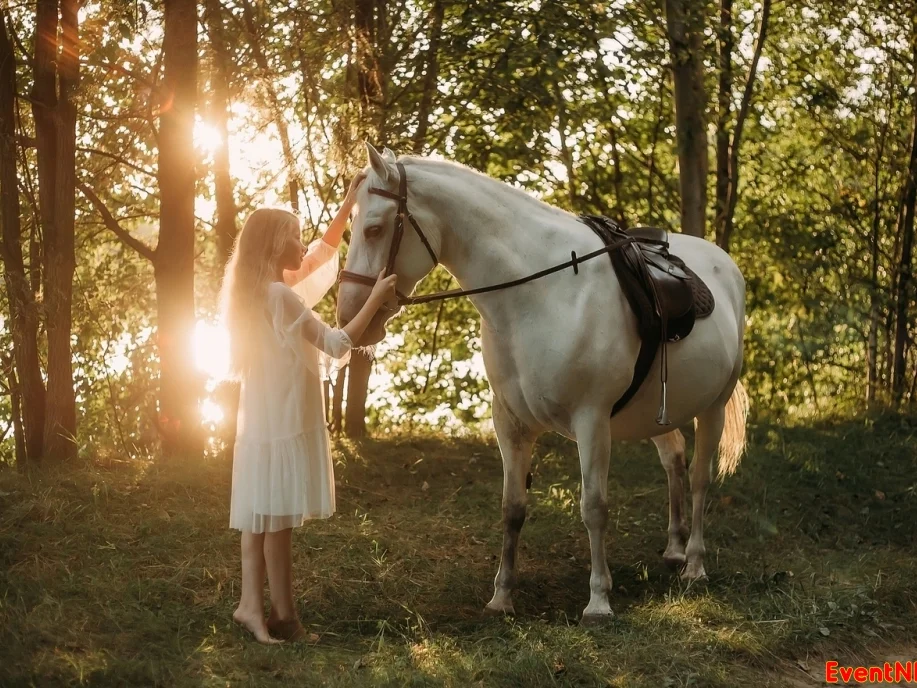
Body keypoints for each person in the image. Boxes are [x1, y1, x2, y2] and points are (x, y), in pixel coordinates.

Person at [218, 174, 396, 643]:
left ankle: (251, 606)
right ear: (277, 247)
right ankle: (283, 618)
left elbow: (317, 260)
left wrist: (344, 210)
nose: (303, 244)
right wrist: (375, 298)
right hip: (283, 418)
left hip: (263, 420)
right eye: (294, 237)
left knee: (262, 517)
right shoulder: (280, 296)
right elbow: (337, 344)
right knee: (276, 522)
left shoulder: (256, 293)